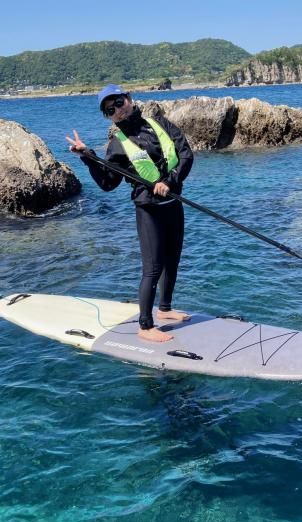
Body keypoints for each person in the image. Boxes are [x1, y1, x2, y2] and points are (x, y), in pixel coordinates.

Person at [66, 84, 194, 343]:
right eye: (109, 110)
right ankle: (145, 326)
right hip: (148, 210)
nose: (117, 111)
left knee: (173, 261)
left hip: (173, 203)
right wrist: (87, 156)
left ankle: (165, 309)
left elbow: (185, 155)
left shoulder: (159, 123)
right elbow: (108, 183)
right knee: (153, 268)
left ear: (129, 98)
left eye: (118, 103)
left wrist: (169, 182)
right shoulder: (117, 144)